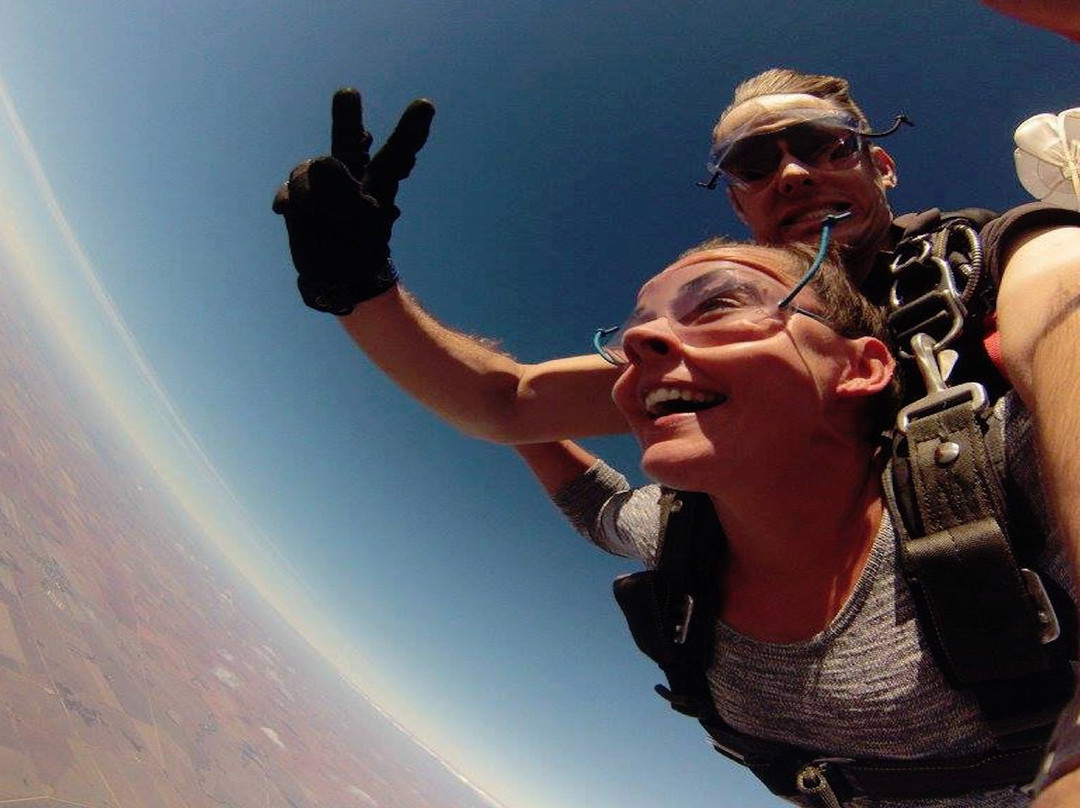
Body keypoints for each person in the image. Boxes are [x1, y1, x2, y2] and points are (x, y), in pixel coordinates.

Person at [272, 65, 1080, 806]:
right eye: (755, 163)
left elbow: (1064, 311)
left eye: (824, 145)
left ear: (880, 165)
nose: (793, 173)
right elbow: (510, 404)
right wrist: (358, 287)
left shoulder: (996, 267)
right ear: (737, 200)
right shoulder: (707, 351)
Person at [553, 234, 1072, 805]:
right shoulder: (681, 531)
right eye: (635, 326)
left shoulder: (1010, 480)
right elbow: (596, 506)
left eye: (719, 305)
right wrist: (512, 421)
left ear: (861, 366)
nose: (639, 339)